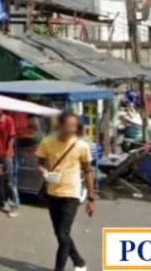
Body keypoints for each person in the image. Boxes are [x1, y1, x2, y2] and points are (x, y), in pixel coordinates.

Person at [37, 111, 95, 271]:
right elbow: (40, 163)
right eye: (69, 126)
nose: (72, 130)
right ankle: (79, 262)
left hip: (71, 194)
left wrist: (91, 198)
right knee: (61, 235)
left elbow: (88, 171)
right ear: (60, 126)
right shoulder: (47, 142)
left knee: (63, 235)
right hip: (52, 192)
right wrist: (44, 173)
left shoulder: (81, 146)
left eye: (74, 127)